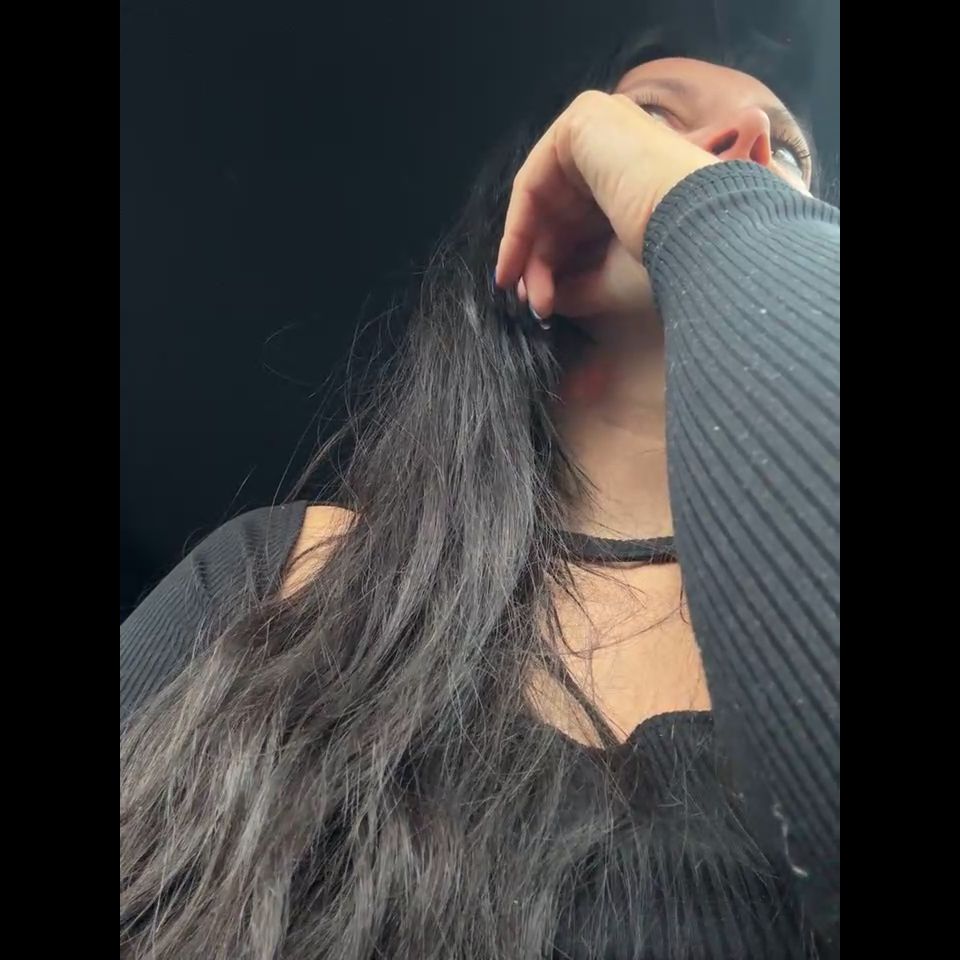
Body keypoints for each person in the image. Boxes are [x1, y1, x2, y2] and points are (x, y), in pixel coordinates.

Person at [121, 26, 839, 960]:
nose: (748, 143)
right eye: (653, 121)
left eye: (787, 157)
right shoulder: (283, 570)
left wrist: (706, 210)